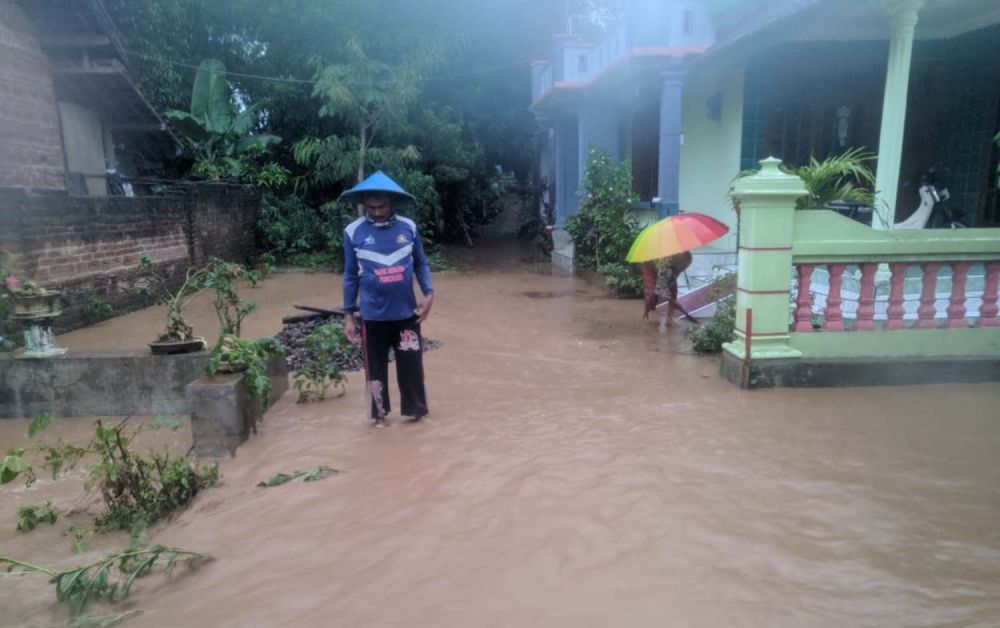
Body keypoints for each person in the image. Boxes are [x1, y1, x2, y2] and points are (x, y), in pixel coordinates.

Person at [340, 172, 435, 427]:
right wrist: (348, 316)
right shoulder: (352, 232)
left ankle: (416, 414)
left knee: (412, 365)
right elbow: (350, 275)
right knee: (375, 370)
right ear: (364, 205)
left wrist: (429, 294)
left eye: (381, 206)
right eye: (371, 208)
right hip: (372, 317)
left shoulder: (408, 228)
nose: (377, 212)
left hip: (407, 315)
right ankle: (379, 415)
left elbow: (421, 263)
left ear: (391, 202)